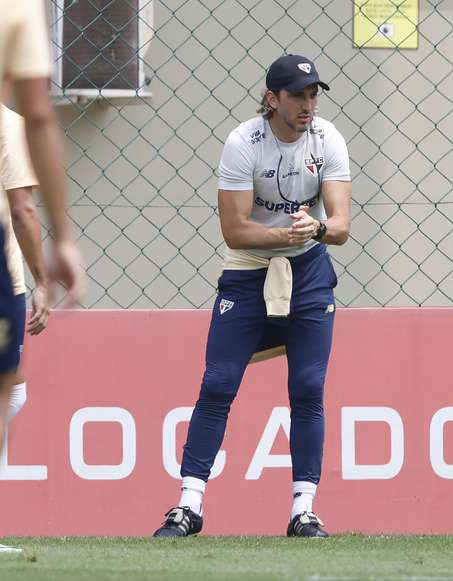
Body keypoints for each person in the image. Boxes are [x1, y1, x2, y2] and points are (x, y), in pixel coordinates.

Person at [152, 54, 351, 538]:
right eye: (297, 96)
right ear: (272, 99)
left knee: (307, 387)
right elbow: (234, 231)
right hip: (248, 272)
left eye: (313, 94)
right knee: (218, 382)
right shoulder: (244, 142)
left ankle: (303, 510)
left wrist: (317, 228)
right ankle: (188, 506)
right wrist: (285, 235)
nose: (308, 105)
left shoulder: (328, 139)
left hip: (307, 271)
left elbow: (341, 227)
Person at [0, 0, 86, 452]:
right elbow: (23, 209)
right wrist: (57, 251)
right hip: (4, 272)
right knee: (10, 392)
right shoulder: (17, 7)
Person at [0, 103, 50, 424]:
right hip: (3, 283)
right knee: (12, 393)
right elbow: (23, 210)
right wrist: (42, 282)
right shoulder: (7, 125)